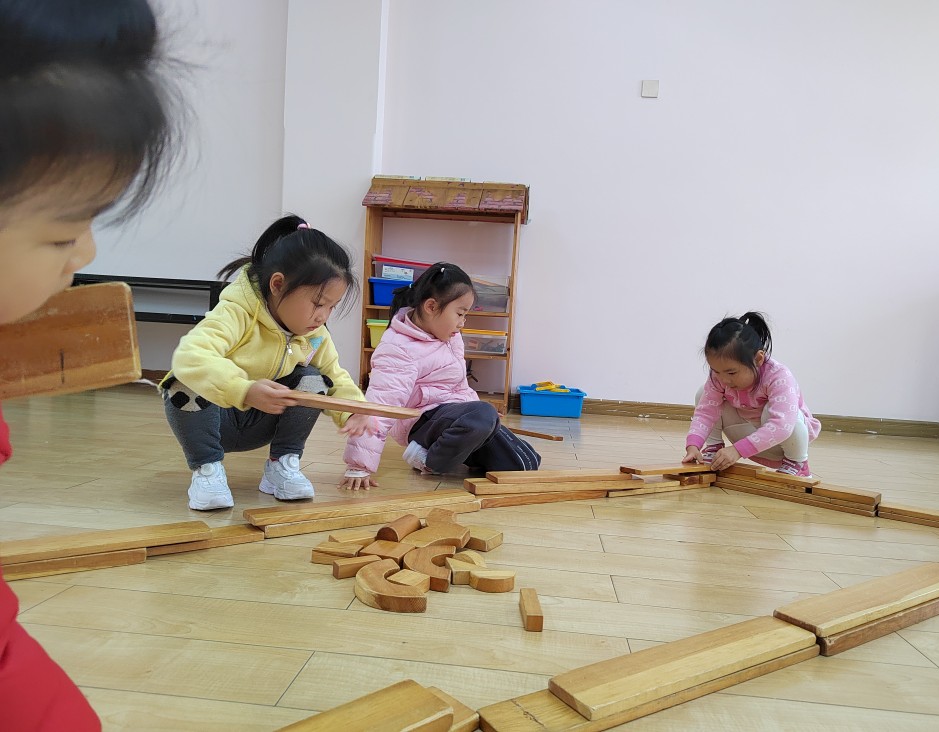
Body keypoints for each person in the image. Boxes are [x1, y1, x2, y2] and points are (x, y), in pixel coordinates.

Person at [0, 1, 177, 727]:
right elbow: (201, 367)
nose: (88, 252)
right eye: (64, 232)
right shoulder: (237, 312)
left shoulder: (312, 338)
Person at [161, 215, 374, 510]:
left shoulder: (315, 335)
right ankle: (207, 470)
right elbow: (190, 356)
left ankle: (281, 464)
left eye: (331, 307)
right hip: (216, 420)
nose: (323, 316)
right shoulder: (236, 312)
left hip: (263, 421)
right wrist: (243, 389)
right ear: (277, 284)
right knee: (182, 382)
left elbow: (335, 375)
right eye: (318, 303)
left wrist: (353, 410)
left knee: (313, 378)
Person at [342, 262, 540, 489]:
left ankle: (465, 446)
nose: (462, 322)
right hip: (423, 422)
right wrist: (359, 465)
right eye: (460, 313)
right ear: (431, 306)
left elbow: (459, 386)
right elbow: (379, 405)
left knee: (525, 463)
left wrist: (478, 417)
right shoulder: (398, 347)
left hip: (453, 417)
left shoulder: (450, 337)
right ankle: (427, 460)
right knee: (483, 415)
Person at [682, 312, 821, 476]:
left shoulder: (778, 376)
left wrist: (737, 450)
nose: (723, 379)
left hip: (784, 441)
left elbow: (782, 426)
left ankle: (798, 463)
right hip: (747, 434)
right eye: (716, 371)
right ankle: (713, 449)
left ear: (758, 359)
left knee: (780, 413)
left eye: (731, 373)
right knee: (703, 393)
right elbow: (705, 412)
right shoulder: (719, 378)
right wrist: (693, 446)